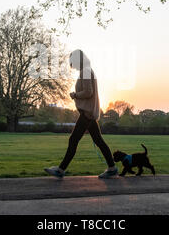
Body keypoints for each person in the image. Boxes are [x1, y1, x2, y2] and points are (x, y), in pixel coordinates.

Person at [44, 49, 118, 179]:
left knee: (73, 140)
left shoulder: (86, 72)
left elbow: (88, 92)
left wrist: (75, 95)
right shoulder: (87, 71)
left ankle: (60, 170)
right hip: (89, 113)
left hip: (87, 113)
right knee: (98, 140)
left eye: (72, 62)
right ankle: (112, 168)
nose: (71, 65)